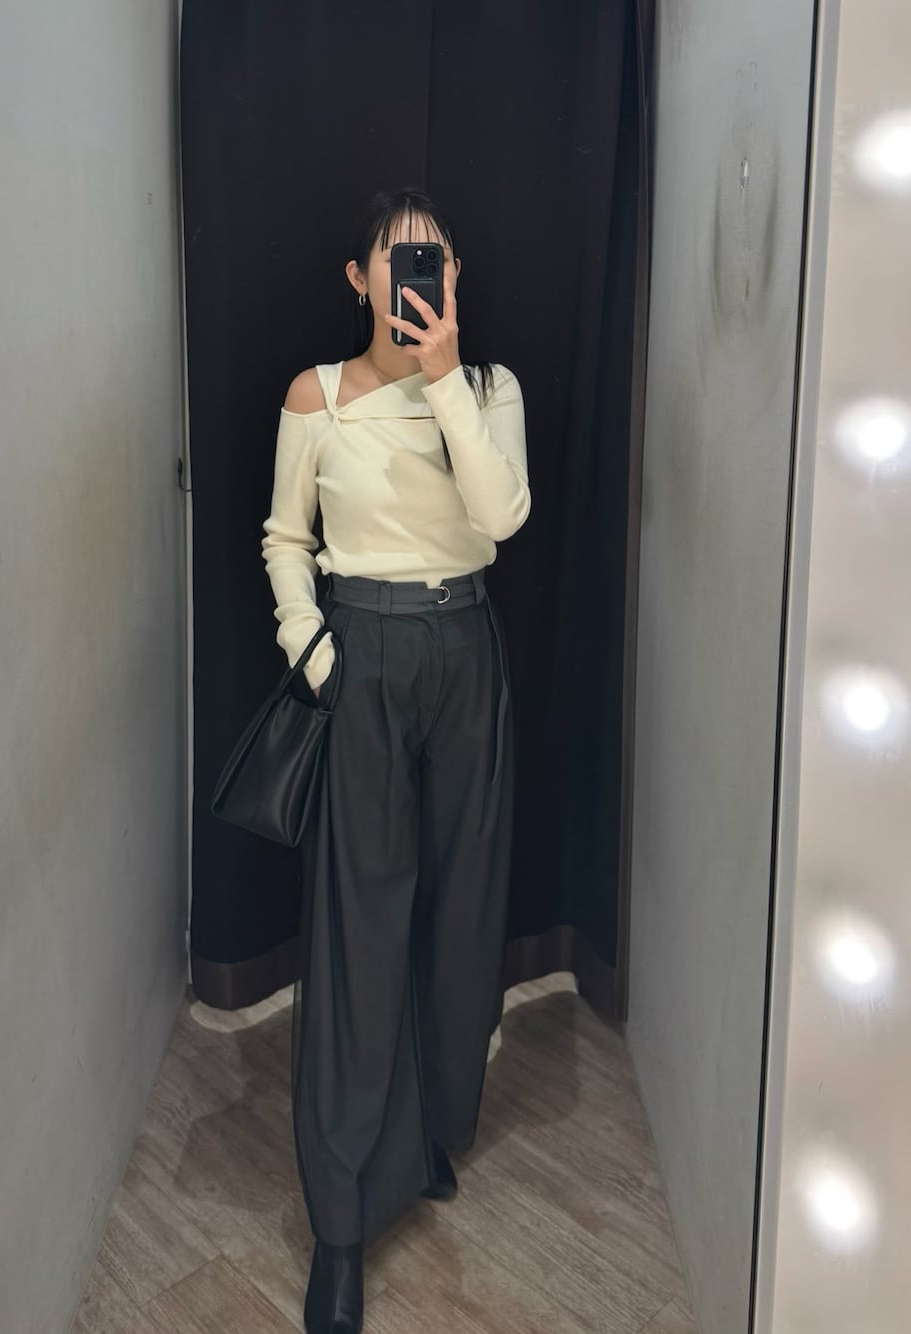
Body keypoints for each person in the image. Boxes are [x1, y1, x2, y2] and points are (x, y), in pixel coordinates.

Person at [260, 187, 531, 1334]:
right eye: (397, 256)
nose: (417, 273)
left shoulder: (490, 389)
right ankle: (338, 1224)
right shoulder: (316, 396)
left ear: (452, 277)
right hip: (362, 657)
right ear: (358, 277)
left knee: (462, 907)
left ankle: (426, 1132)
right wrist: (314, 650)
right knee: (358, 923)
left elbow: (501, 517)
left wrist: (445, 376)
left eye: (436, 257)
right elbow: (286, 538)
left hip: (466, 648)